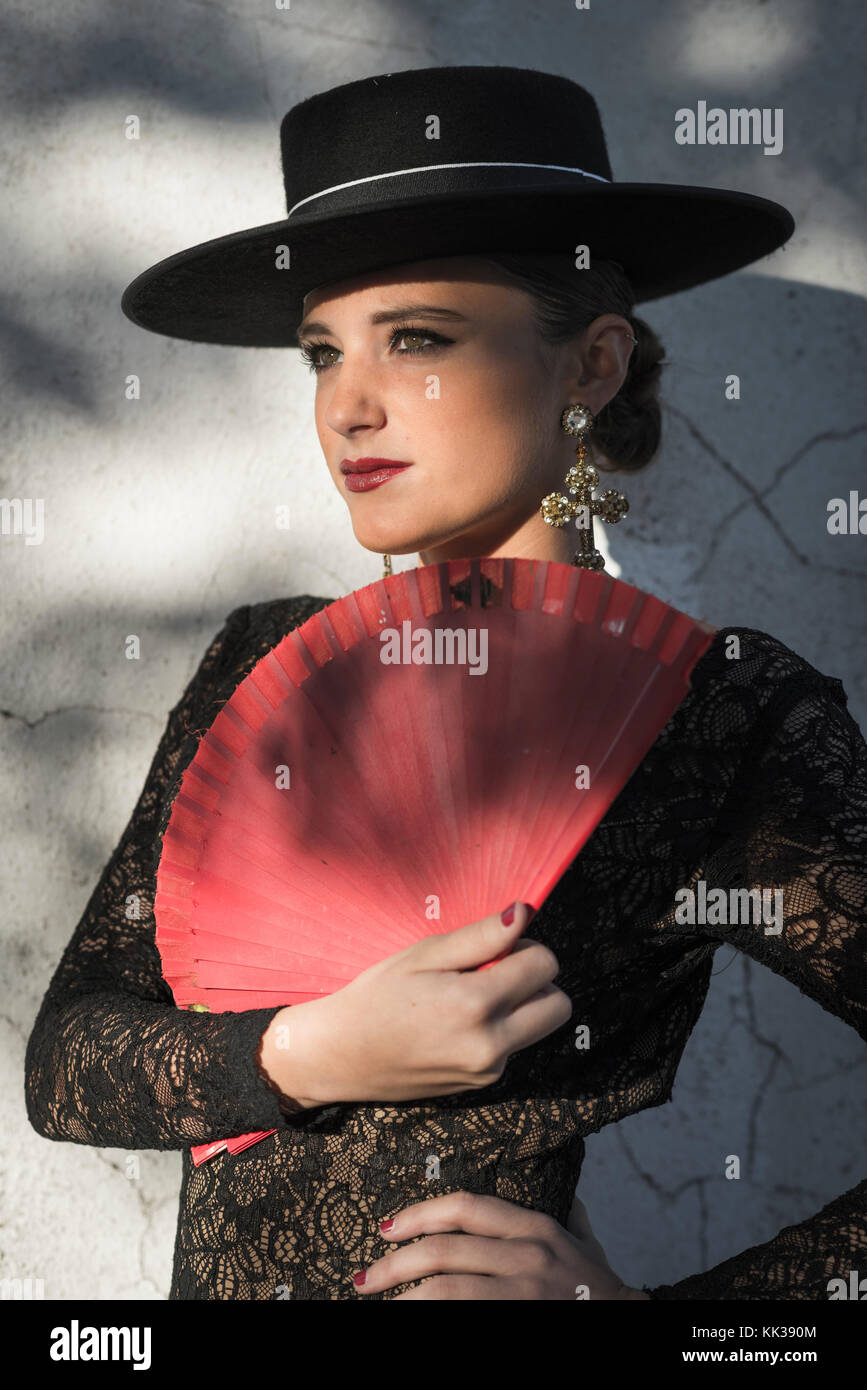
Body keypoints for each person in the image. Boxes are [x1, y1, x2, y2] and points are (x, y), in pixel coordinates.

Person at [25, 65, 866, 1301]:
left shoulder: (714, 713)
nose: (347, 408)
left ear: (589, 366)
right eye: (322, 353)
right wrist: (307, 1050)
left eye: (416, 338)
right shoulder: (263, 660)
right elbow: (65, 1063)